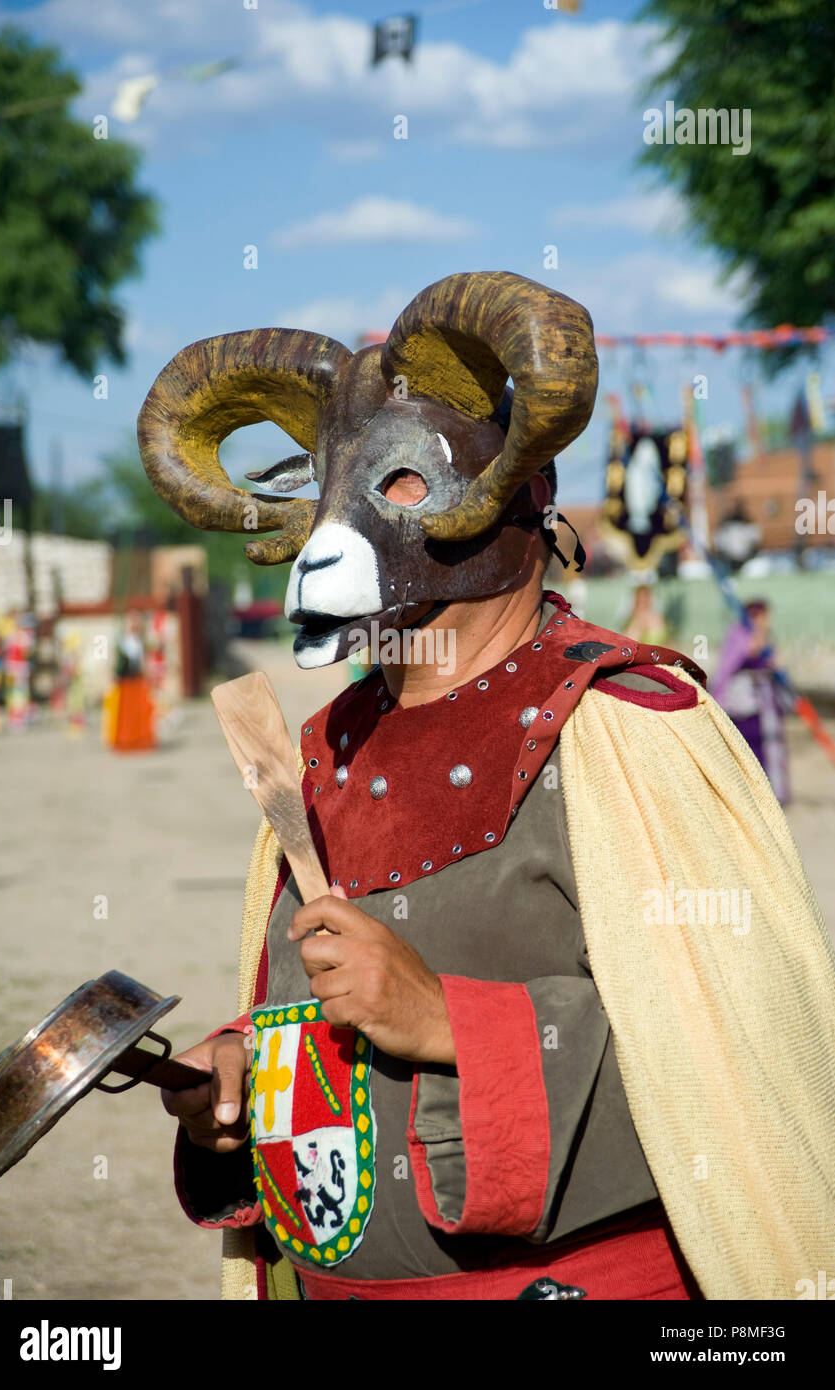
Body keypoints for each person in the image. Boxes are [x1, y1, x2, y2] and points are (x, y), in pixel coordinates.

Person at [138, 272, 835, 1301]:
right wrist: (247, 1065)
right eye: (328, 485)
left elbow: (737, 1054)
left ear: (520, 492)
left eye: (405, 484)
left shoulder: (626, 726)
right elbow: (315, 1017)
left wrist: (445, 1020)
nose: (346, 525)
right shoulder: (325, 746)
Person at [711, 599, 790, 804]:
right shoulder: (740, 634)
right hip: (743, 702)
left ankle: (771, 794)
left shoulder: (763, 636)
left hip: (765, 703)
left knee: (769, 748)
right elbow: (732, 663)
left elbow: (772, 663)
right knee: (746, 748)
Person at [104, 610, 156, 753]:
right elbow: (114, 661)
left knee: (140, 712)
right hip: (125, 682)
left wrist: (148, 675)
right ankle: (125, 740)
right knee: (125, 714)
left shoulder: (141, 641)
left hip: (137, 681)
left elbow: (144, 661)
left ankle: (140, 739)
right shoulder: (121, 641)